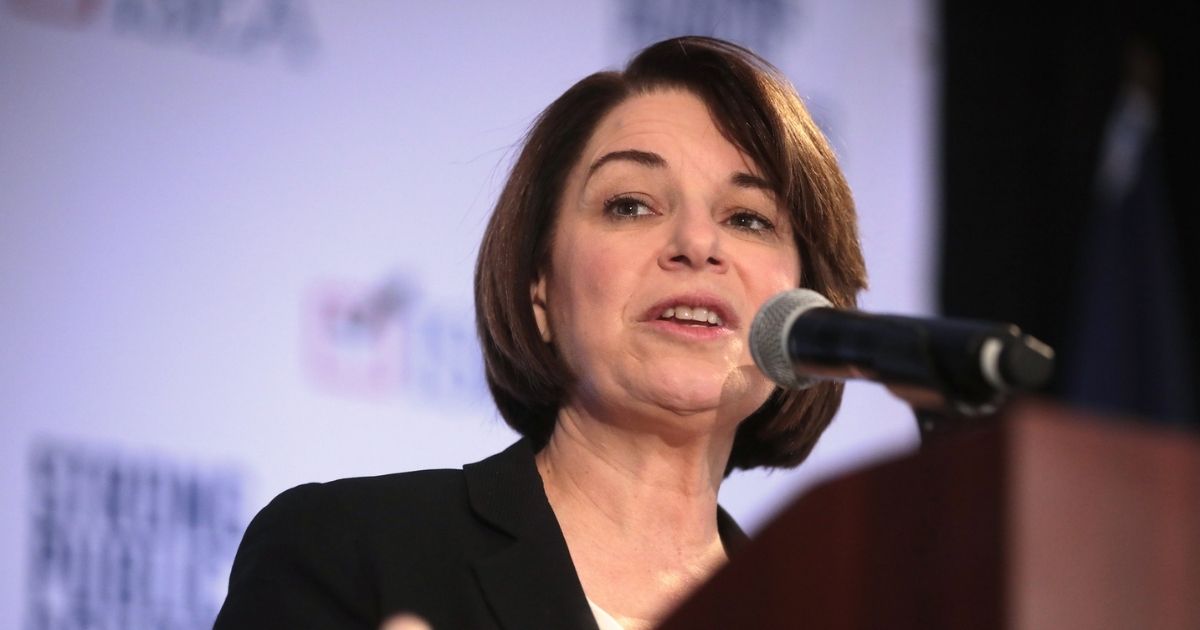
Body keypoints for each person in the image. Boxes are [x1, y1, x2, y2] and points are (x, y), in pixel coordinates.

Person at [214, 35, 866, 630]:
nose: (698, 243)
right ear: (540, 290)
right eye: (630, 204)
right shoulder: (350, 551)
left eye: (748, 219)